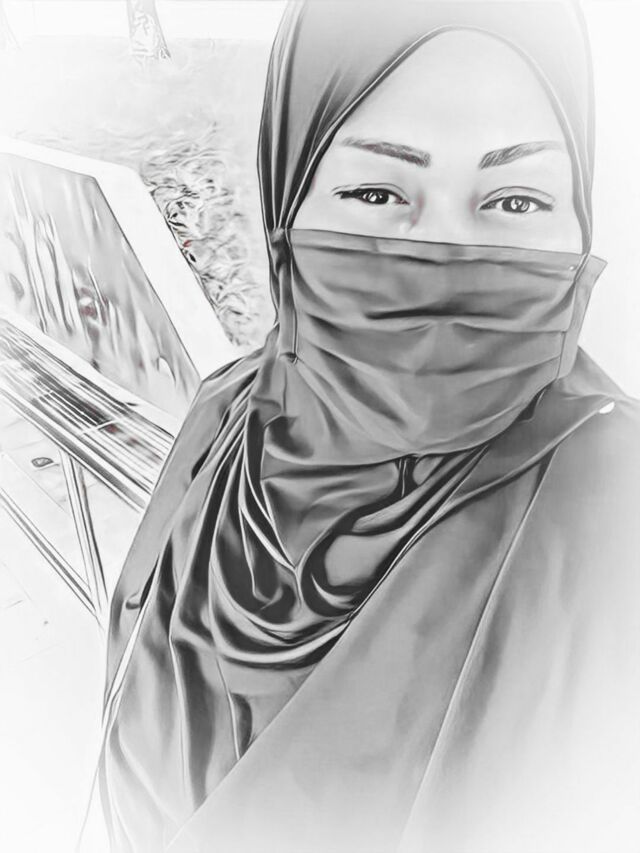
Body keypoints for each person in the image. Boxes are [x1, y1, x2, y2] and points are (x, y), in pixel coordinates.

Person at [96, 2, 640, 851]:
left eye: (515, 198)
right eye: (377, 192)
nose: (448, 256)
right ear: (286, 205)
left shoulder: (612, 511)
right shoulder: (225, 420)